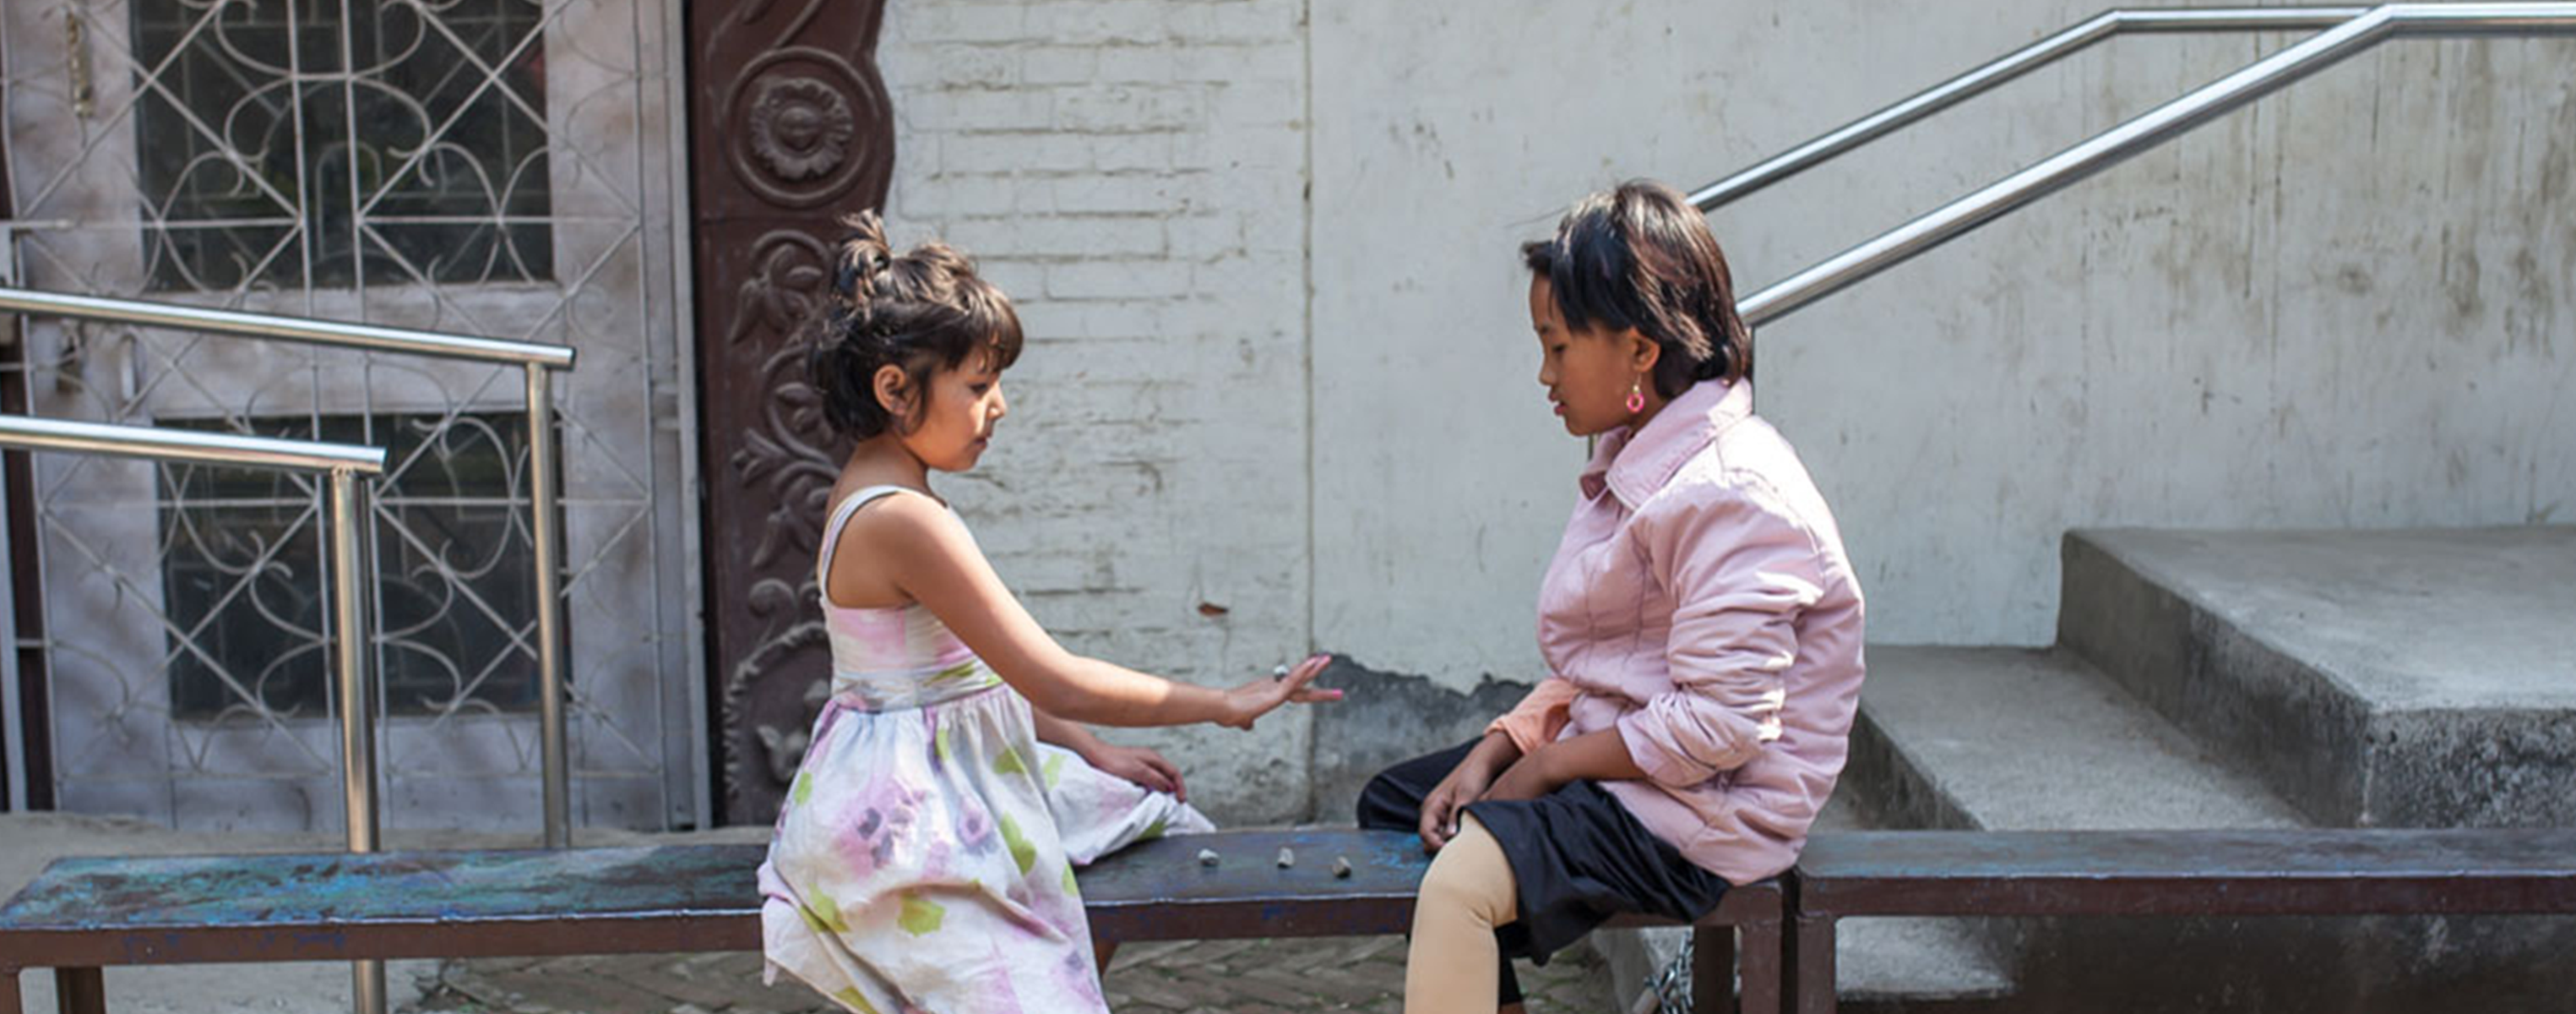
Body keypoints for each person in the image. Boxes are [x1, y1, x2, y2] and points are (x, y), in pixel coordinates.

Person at [756, 211, 1339, 1014]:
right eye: (977, 385)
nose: (998, 408)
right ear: (895, 389)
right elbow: (1053, 677)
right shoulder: (901, 518)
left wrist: (1092, 750)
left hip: (953, 771)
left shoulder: (885, 492)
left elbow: (973, 676)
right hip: (907, 817)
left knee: (1150, 820)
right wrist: (1224, 706)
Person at [1357, 180, 1867, 1014]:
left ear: (1637, 350)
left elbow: (1723, 726)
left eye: (1557, 348)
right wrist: (1498, 750)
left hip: (1707, 811)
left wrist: (1547, 765)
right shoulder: (1642, 458)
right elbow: (1608, 666)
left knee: (1459, 880)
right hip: (1644, 771)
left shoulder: (1731, 491)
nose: (1542, 375)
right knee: (1406, 804)